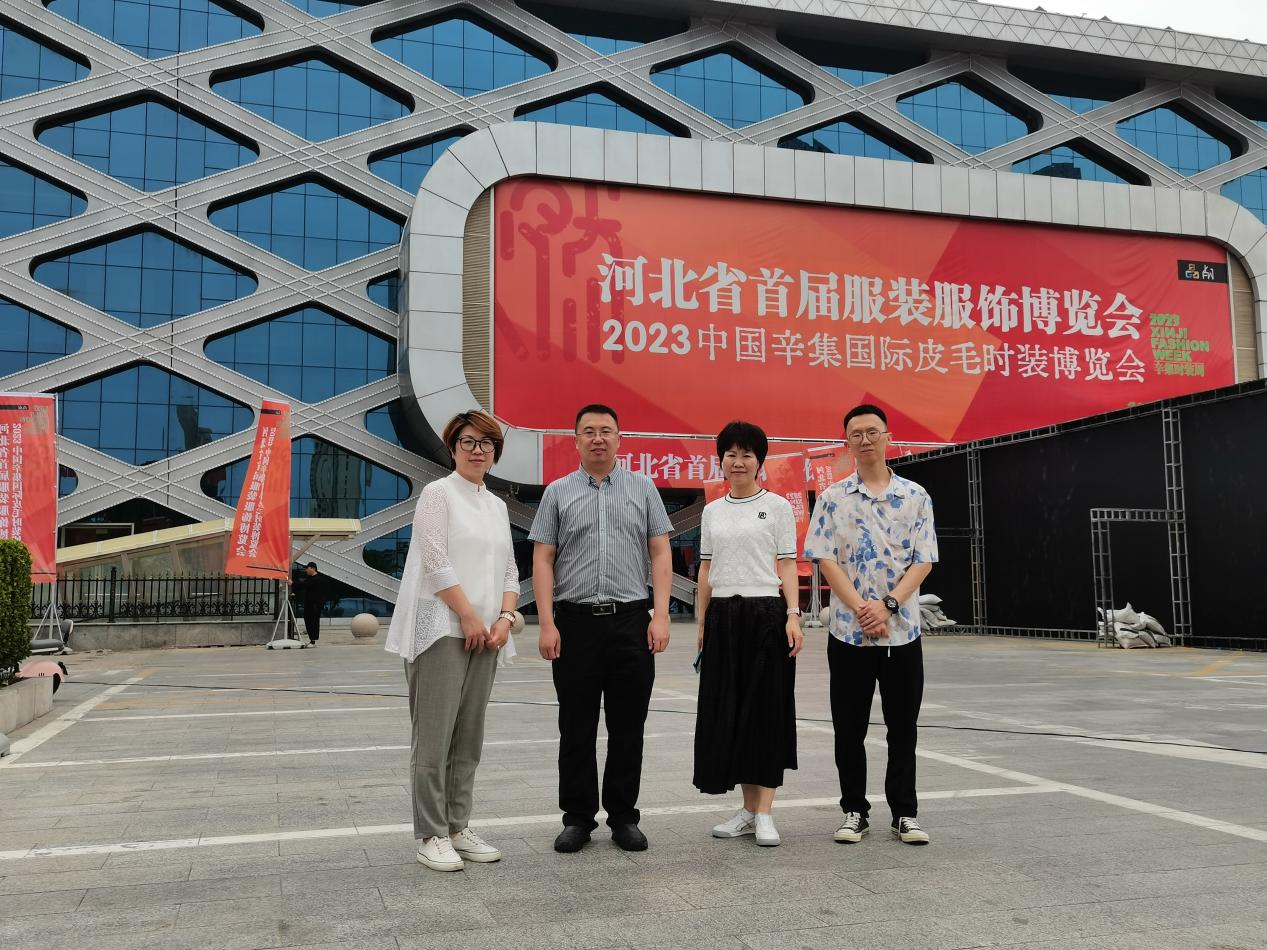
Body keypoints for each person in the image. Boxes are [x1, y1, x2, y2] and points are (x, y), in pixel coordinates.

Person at [530, 403, 673, 854]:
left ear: (619, 438)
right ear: (575, 440)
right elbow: (542, 558)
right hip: (574, 624)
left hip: (631, 621)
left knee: (629, 727)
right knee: (576, 727)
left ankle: (624, 817)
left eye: (606, 431)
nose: (598, 438)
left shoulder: (642, 488)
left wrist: (662, 614)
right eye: (588, 431)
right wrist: (547, 622)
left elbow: (660, 551)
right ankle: (577, 818)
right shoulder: (557, 493)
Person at [384, 410, 521, 872]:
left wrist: (505, 617)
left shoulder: (496, 505)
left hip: (488, 634)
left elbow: (509, 569)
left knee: (469, 738)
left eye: (486, 443)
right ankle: (431, 834)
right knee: (434, 737)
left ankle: (458, 826)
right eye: (468, 441)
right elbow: (436, 559)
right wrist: (467, 615)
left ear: (495, 451)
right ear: (453, 447)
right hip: (442, 630)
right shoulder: (438, 494)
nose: (477, 450)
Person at [804, 404, 938, 846]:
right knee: (849, 728)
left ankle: (905, 814)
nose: (865, 440)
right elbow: (825, 558)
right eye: (856, 434)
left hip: (902, 633)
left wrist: (888, 606)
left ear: (887, 436)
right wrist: (864, 609)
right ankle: (854, 811)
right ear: (847, 442)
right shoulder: (832, 498)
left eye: (872, 432)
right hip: (848, 632)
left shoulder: (916, 496)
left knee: (903, 728)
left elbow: (923, 560)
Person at [694, 421, 803, 847]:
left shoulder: (776, 507)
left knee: (766, 710)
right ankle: (747, 810)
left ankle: (766, 813)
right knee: (731, 712)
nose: (738, 462)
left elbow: (787, 563)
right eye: (731, 455)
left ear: (760, 462)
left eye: (747, 455)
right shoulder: (712, 511)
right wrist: (702, 622)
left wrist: (792, 614)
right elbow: (705, 568)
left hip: (766, 613)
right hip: (723, 614)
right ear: (721, 460)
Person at [295, 562, 326, 645]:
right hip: (308, 604)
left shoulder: (317, 579)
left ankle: (313, 639)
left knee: (313, 622)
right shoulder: (310, 578)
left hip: (315, 605)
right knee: (308, 620)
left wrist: (293, 584)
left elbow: (304, 585)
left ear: (313, 568)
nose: (306, 570)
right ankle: (312, 639)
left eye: (307, 568)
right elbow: (303, 585)